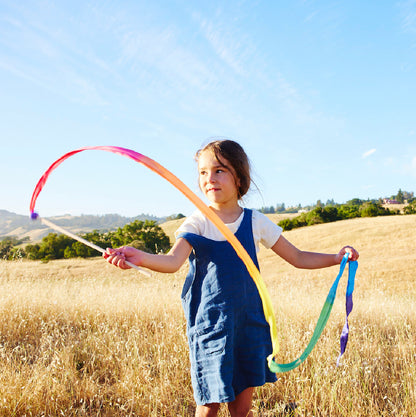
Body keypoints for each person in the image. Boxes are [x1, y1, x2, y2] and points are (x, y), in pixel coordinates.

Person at [104, 139, 359, 417]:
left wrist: (336, 258)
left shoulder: (255, 221)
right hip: (211, 328)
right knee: (208, 406)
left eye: (219, 170)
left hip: (250, 325)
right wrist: (138, 257)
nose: (209, 179)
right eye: (203, 172)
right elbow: (172, 262)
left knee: (242, 409)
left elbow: (297, 257)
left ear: (239, 177)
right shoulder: (198, 222)